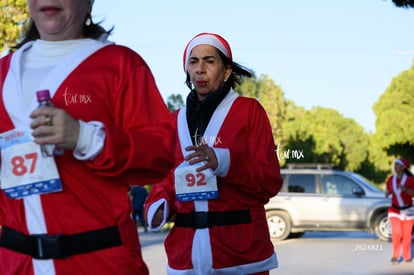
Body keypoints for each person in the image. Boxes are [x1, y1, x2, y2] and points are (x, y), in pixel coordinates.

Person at [0, 1, 175, 274]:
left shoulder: (120, 64)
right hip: (16, 263)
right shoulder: (3, 72)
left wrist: (85, 137)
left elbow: (161, 155)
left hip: (98, 262)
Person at [145, 32, 283, 275]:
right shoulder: (174, 119)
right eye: (194, 61)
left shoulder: (249, 112)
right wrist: (158, 204)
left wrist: (223, 161)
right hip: (185, 256)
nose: (200, 69)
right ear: (186, 69)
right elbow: (168, 177)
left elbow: (269, 181)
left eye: (209, 61)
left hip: (240, 256)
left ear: (227, 71)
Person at [385, 157, 414, 264]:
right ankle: (395, 256)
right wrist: (387, 192)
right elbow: (388, 189)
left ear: (403, 167)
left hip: (408, 211)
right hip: (395, 210)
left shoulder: (410, 180)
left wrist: (405, 189)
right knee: (397, 233)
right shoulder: (391, 179)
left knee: (407, 235)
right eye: (395, 164)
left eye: (398, 165)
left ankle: (407, 256)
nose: (395, 166)